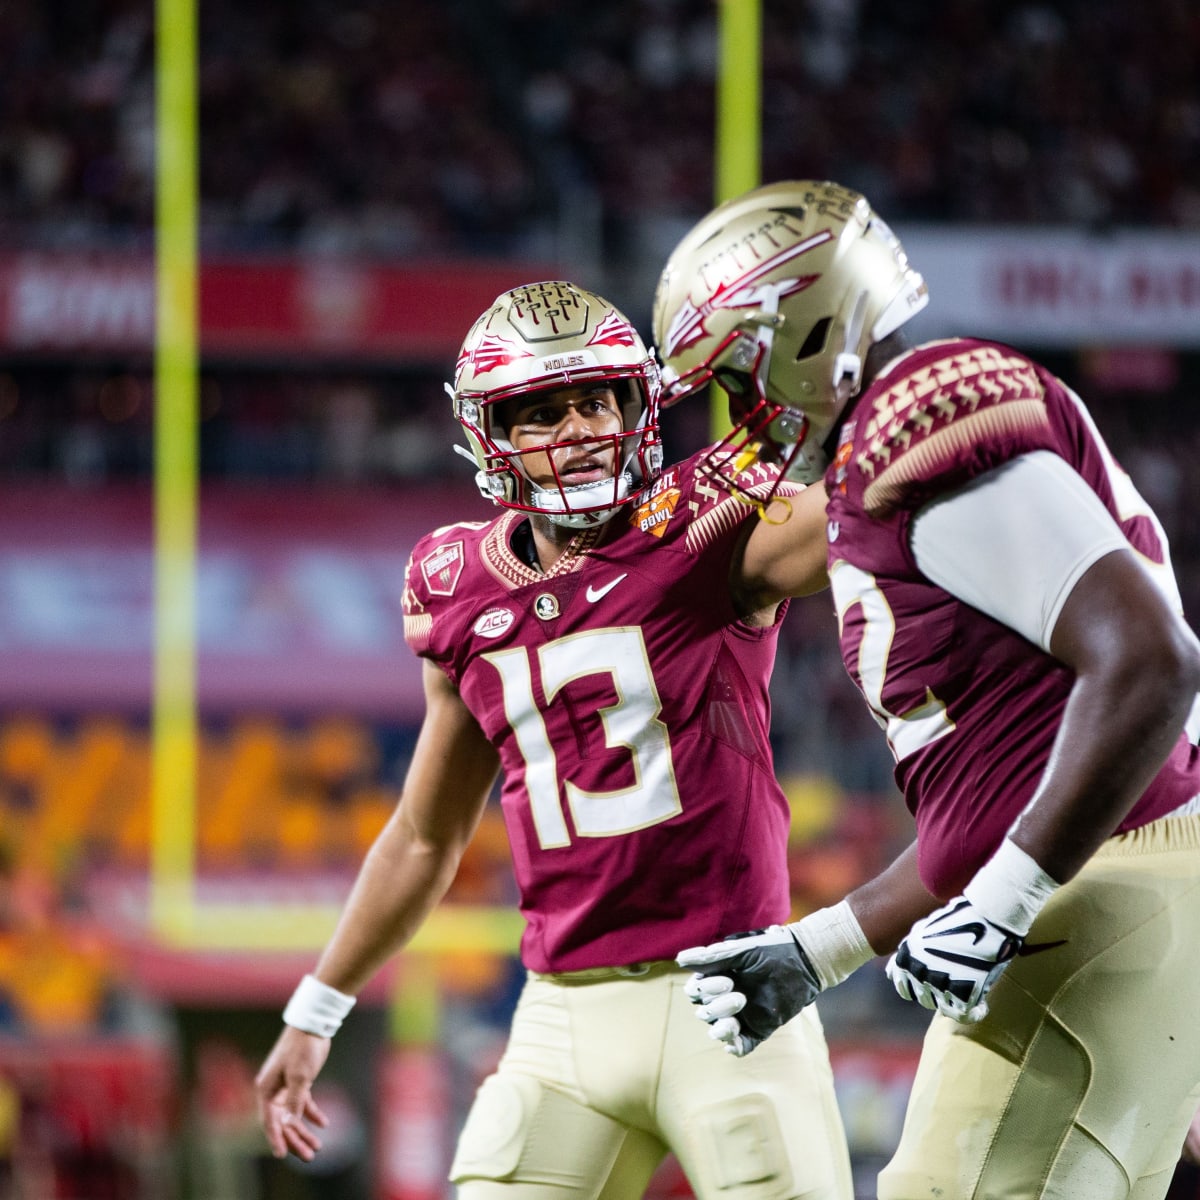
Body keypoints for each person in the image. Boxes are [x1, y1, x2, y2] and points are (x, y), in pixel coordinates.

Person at [652, 180, 1200, 1200]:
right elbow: (987, 806)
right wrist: (816, 951)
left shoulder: (913, 422)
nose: (739, 418)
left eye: (738, 379)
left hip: (1112, 890)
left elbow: (1152, 662)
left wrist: (1008, 900)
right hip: (1113, 885)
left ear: (800, 335)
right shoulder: (882, 456)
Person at [254, 280, 854, 1198]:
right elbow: (426, 836)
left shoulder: (707, 524)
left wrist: (836, 376)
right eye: (541, 411)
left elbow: (865, 511)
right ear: (493, 435)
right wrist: (318, 1006)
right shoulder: (457, 585)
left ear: (637, 404)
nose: (575, 428)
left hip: (736, 993)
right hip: (563, 1012)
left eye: (594, 400)